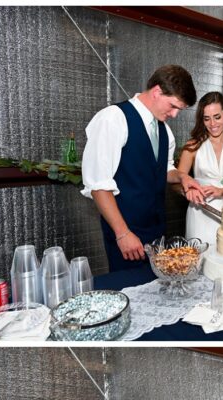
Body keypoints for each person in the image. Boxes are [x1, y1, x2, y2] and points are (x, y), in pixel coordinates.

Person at [81, 65, 206, 272]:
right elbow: (98, 184)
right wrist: (122, 233)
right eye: (173, 106)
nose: (175, 115)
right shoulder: (113, 118)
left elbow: (164, 169)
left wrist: (182, 177)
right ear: (157, 92)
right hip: (126, 231)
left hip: (157, 230)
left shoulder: (165, 130)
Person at [177, 92, 223, 245]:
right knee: (198, 262)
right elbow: (175, 180)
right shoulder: (192, 146)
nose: (212, 124)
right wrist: (187, 190)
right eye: (206, 118)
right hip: (199, 213)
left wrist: (222, 191)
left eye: (217, 117)